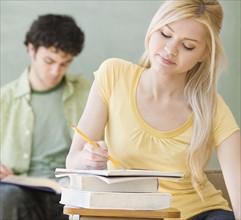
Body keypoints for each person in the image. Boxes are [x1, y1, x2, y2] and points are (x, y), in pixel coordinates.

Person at [66, 0, 241, 220]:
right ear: (153, 28)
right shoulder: (113, 74)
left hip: (200, 213)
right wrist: (87, 161)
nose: (170, 50)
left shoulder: (212, 106)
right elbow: (73, 162)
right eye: (165, 34)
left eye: (188, 46)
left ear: (205, 53)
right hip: (128, 212)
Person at [0, 14, 91, 220]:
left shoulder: (89, 94)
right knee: (6, 197)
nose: (55, 71)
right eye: (49, 60)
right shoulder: (4, 100)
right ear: (31, 49)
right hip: (21, 190)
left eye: (64, 63)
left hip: (71, 190)